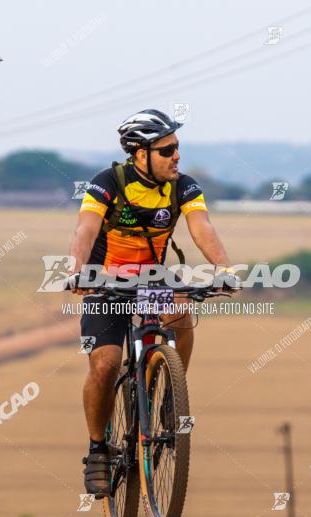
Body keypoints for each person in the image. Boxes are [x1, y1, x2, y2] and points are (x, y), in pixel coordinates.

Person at [66, 108, 238, 496]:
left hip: (152, 279)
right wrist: (75, 269)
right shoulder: (107, 183)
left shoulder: (184, 186)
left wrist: (224, 268)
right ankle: (97, 450)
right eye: (167, 150)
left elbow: (201, 227)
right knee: (106, 365)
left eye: (177, 148)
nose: (176, 156)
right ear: (139, 155)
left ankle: (169, 391)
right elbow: (85, 228)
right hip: (104, 281)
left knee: (180, 307)